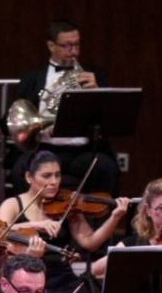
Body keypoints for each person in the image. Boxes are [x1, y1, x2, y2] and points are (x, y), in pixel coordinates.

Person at [0, 150, 130, 293]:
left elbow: (90, 242)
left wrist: (114, 217)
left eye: (57, 175)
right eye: (46, 176)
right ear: (29, 177)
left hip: (64, 278)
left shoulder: (66, 204)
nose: (54, 182)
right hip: (29, 283)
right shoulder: (14, 205)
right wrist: (38, 224)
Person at [10, 19, 119, 197]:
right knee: (19, 169)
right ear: (51, 46)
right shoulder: (32, 78)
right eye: (67, 46)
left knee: (107, 168)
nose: (73, 51)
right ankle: (26, 222)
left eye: (76, 45)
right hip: (44, 148)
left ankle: (101, 224)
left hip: (84, 151)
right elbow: (13, 117)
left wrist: (97, 92)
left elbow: (110, 120)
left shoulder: (95, 75)